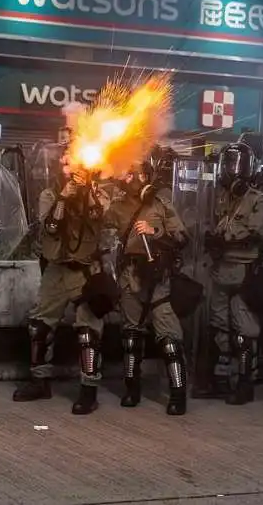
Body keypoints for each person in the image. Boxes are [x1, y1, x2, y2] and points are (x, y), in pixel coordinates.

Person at [12, 147, 111, 416]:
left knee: (88, 331)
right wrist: (65, 199)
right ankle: (39, 382)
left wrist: (87, 190)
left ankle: (89, 391)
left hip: (85, 271)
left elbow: (98, 216)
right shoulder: (49, 195)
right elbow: (51, 227)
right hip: (56, 271)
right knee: (39, 326)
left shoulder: (98, 194)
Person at [194, 142, 263, 405]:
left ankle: (244, 383)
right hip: (220, 269)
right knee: (219, 325)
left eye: (237, 164)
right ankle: (219, 380)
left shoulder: (259, 199)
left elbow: (257, 233)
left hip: (243, 270)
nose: (233, 170)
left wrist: (226, 239)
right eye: (229, 163)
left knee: (244, 329)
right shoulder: (219, 196)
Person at [105, 161, 190, 416]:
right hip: (130, 276)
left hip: (157, 280)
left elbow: (182, 238)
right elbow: (99, 228)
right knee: (131, 337)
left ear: (143, 176)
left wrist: (155, 232)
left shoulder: (162, 205)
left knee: (170, 340)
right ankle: (132, 389)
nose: (126, 177)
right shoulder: (117, 207)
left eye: (131, 173)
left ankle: (178, 394)